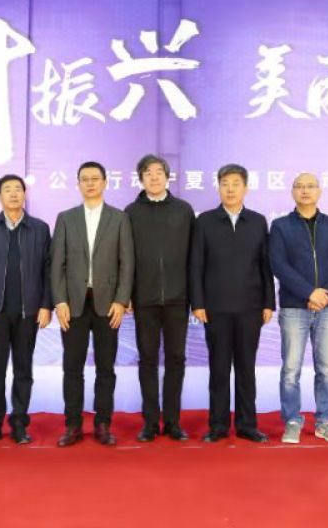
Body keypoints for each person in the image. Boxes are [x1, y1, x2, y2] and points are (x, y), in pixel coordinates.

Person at [190, 164, 275, 443]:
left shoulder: (258, 221)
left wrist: (268, 302)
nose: (230, 189)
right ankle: (218, 426)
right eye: (225, 183)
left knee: (246, 369)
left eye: (236, 183)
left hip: (250, 308)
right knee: (219, 369)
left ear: (245, 188)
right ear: (218, 187)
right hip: (215, 308)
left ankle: (247, 425)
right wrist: (198, 302)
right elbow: (196, 264)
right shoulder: (205, 221)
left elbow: (265, 265)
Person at [51, 161, 134, 447]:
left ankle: (103, 423)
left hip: (108, 304)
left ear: (105, 183)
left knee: (105, 367)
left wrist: (121, 300)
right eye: (84, 179)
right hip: (73, 304)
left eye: (95, 178)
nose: (90, 183)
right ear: (78, 184)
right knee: (72, 367)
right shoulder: (66, 218)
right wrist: (59, 300)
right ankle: (73, 425)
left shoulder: (119, 218)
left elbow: (127, 263)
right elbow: (57, 264)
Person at [0, 175, 52, 445]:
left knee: (23, 370)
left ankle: (19, 424)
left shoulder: (40, 228)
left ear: (25, 194)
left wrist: (46, 305)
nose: (14, 194)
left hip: (29, 312)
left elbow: (49, 271)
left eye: (18, 189)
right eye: (8, 190)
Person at [269, 173, 328, 444]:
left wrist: (326, 293)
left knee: (326, 369)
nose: (305, 190)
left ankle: (325, 422)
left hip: (327, 307)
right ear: (292, 192)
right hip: (294, 308)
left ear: (319, 191)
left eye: (310, 186)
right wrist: (308, 292)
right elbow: (278, 264)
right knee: (291, 370)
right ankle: (292, 421)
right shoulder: (281, 226)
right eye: (300, 186)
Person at [125, 154, 194, 442]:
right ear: (141, 178)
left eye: (158, 172)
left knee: (176, 359)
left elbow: (194, 257)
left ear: (167, 176)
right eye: (147, 173)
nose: (154, 177)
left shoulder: (183, 210)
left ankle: (173, 421)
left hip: (178, 298)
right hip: (144, 298)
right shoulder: (131, 212)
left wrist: (194, 296)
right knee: (148, 359)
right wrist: (127, 294)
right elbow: (125, 257)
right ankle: (150, 422)